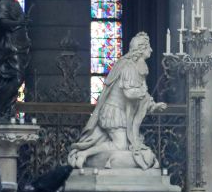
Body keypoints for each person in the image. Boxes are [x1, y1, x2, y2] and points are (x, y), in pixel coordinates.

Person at [67, 32, 166, 169]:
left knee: (127, 145)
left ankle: (86, 154)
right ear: (141, 49)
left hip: (121, 112)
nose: (151, 50)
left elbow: (139, 91)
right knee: (121, 145)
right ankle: (84, 154)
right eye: (148, 47)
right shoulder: (128, 66)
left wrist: (152, 105)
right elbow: (130, 93)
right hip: (114, 111)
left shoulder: (137, 66)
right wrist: (143, 95)